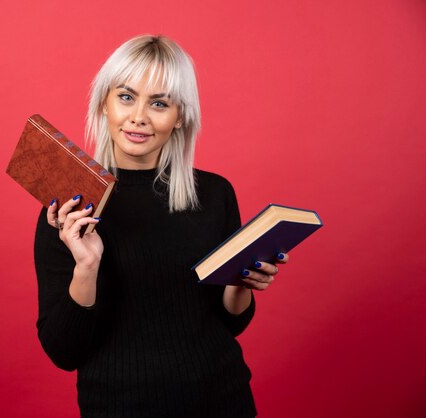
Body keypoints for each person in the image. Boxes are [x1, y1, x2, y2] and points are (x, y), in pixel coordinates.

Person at [33, 34, 289, 418]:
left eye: (159, 103)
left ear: (180, 115)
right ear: (104, 102)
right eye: (125, 96)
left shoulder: (215, 194)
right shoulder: (68, 209)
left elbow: (230, 324)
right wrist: (87, 265)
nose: (139, 116)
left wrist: (241, 281)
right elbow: (63, 351)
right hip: (118, 408)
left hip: (223, 400)